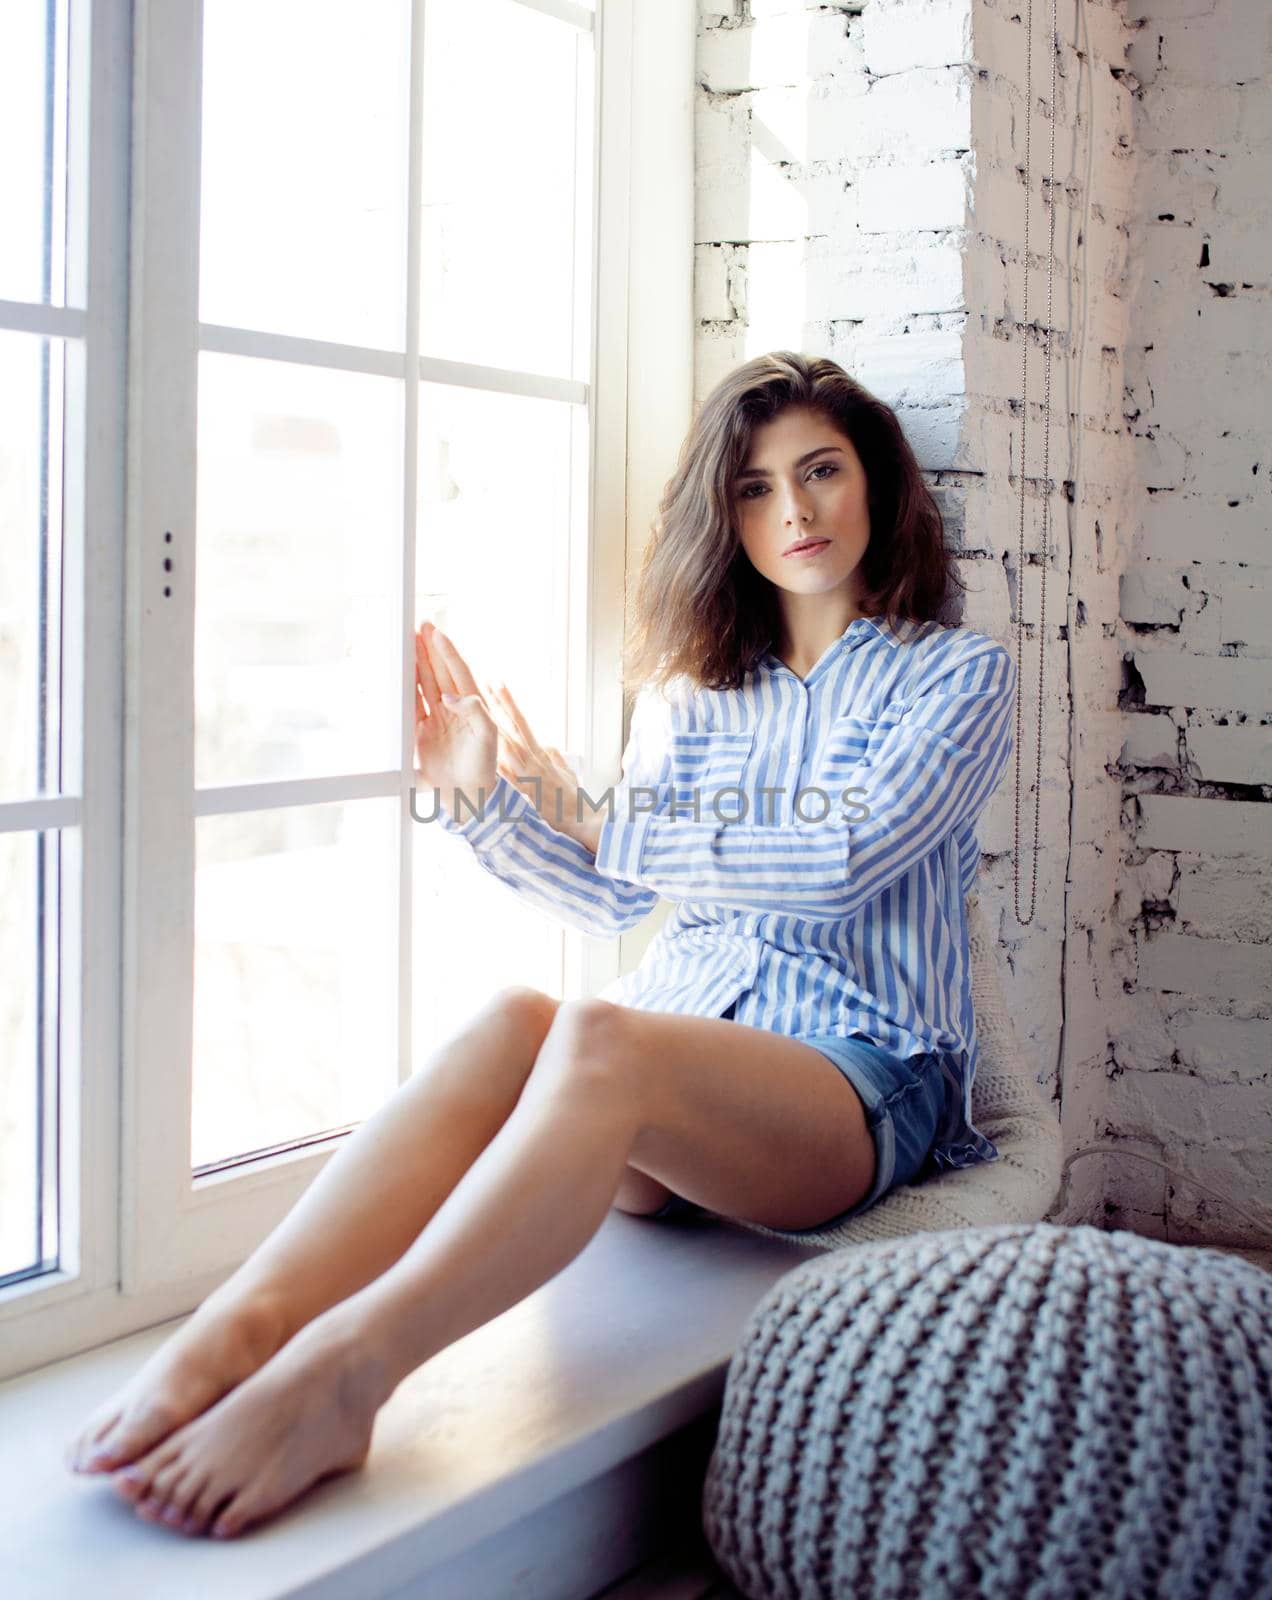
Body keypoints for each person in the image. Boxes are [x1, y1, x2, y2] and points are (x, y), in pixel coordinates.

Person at [64, 350, 1017, 1541]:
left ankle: (351, 1373)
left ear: (875, 483)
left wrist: (601, 813)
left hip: (865, 1081)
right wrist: (487, 804)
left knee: (601, 1038)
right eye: (758, 488)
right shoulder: (693, 697)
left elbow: (842, 862)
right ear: (726, 520)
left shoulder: (957, 675)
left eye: (821, 472)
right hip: (694, 1077)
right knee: (518, 1018)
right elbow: (615, 899)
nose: (798, 510)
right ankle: (241, 1327)